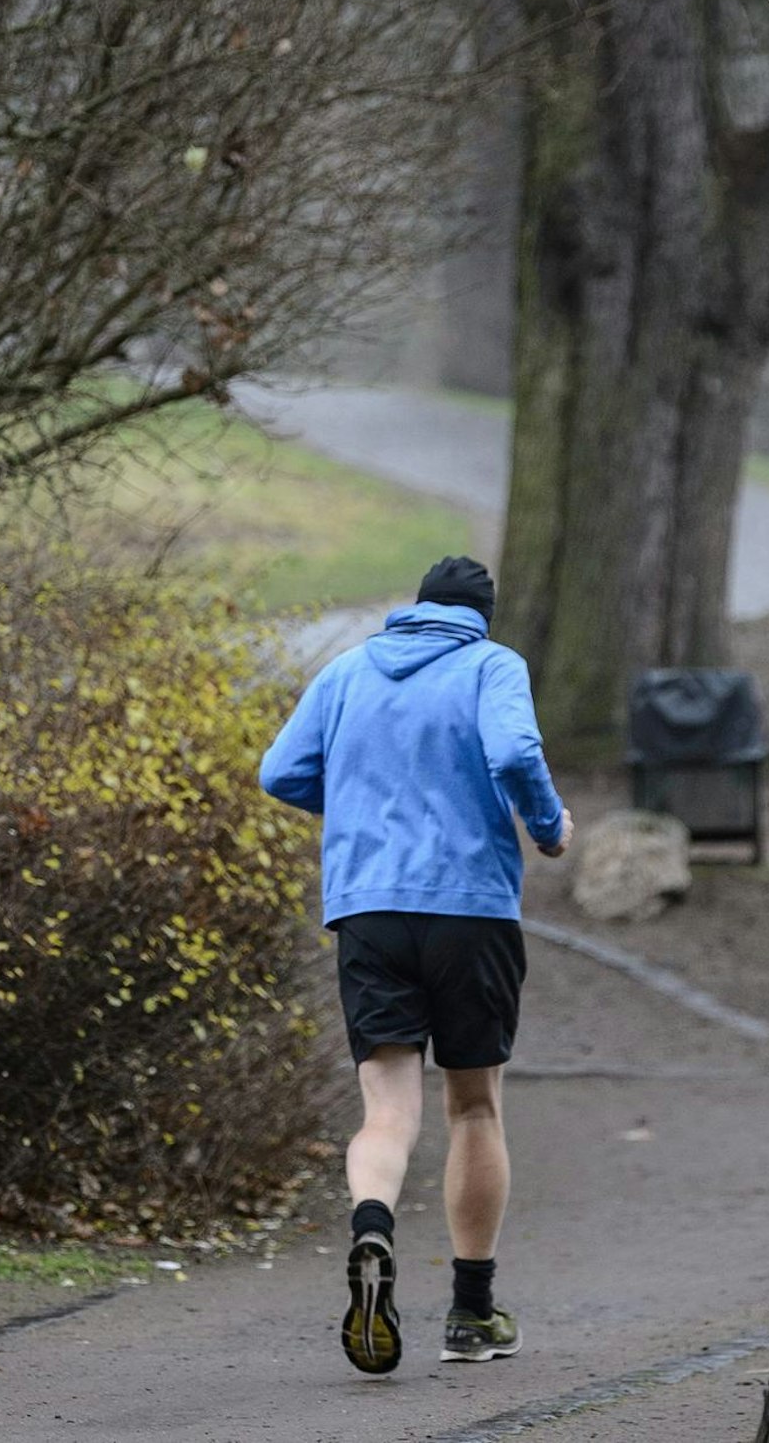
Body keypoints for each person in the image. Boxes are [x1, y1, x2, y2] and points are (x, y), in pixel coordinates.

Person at [260, 556, 572, 1375]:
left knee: (387, 1112)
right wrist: (547, 827)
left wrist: (358, 807)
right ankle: (471, 1315)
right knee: (473, 1107)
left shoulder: (348, 670)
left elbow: (280, 772)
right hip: (470, 910)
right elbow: (514, 753)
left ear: (417, 608)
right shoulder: (491, 665)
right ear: (481, 617)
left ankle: (373, 1226)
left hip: (368, 910)